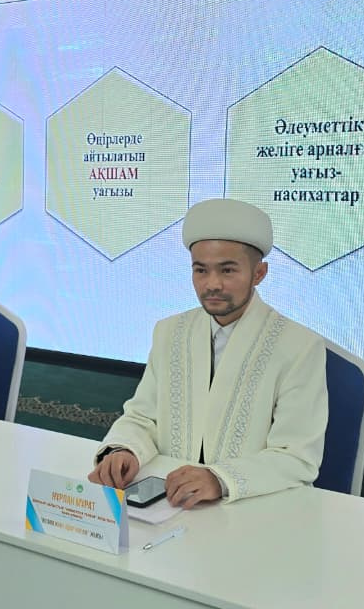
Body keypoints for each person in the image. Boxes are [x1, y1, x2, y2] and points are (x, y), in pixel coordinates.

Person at [89, 198, 328, 508]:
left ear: (259, 273)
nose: (212, 284)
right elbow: (142, 417)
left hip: (251, 507)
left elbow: (297, 457)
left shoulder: (299, 346)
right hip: (168, 503)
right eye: (201, 270)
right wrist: (123, 450)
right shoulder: (170, 332)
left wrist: (220, 479)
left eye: (227, 270)